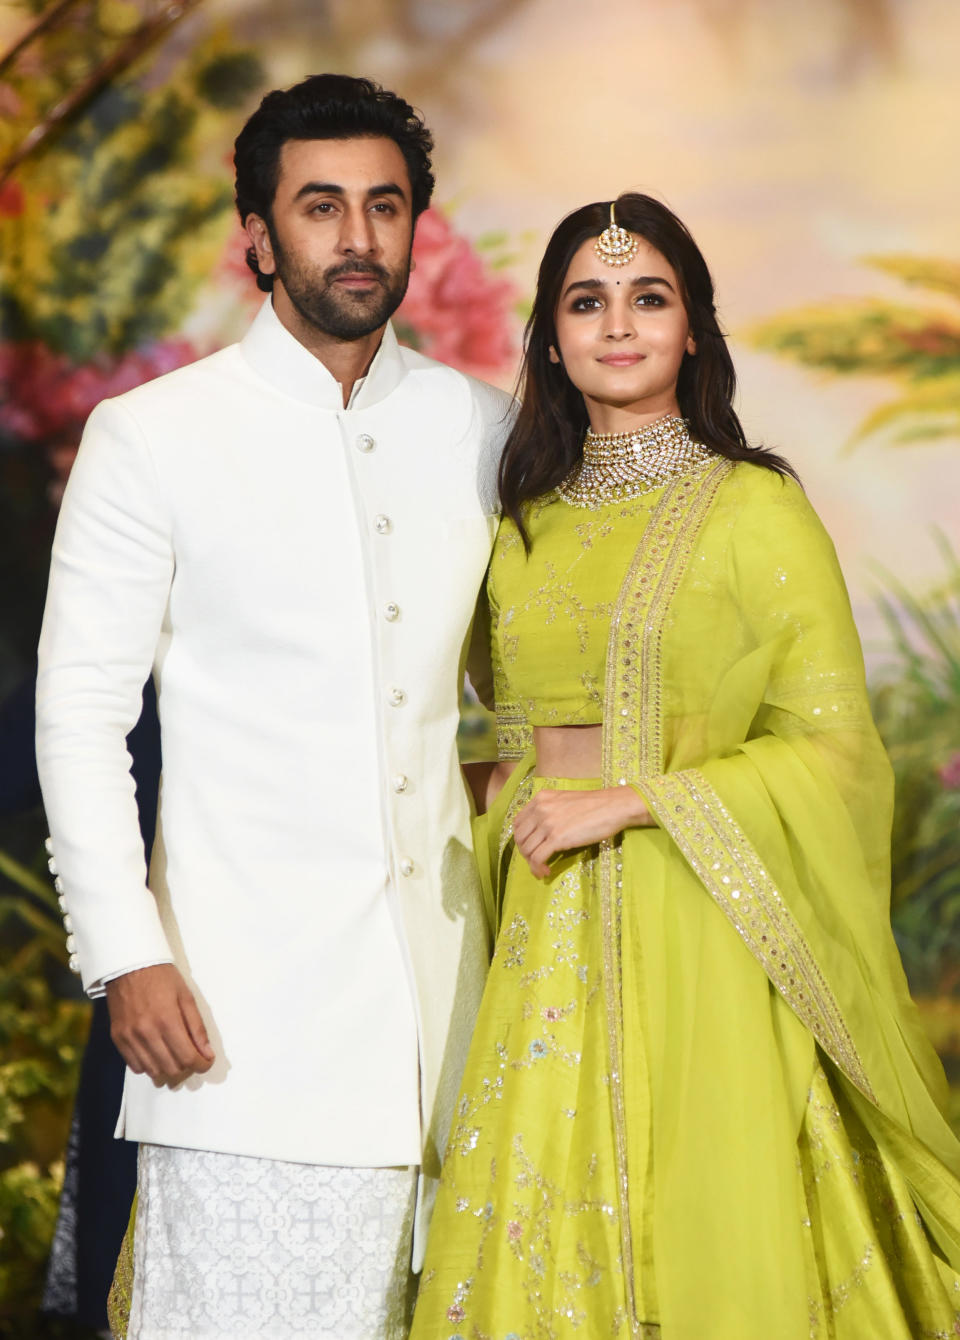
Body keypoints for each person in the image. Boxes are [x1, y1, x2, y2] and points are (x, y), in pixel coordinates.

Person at [409, 194, 960, 1340]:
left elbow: (838, 751)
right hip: (539, 921)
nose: (618, 323)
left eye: (649, 296)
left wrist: (638, 797)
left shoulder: (756, 505)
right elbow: (495, 728)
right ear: (551, 336)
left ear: (695, 326)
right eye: (587, 300)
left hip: (702, 912)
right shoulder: (520, 515)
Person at [35, 73, 513, 1340]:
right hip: (241, 1033)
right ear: (257, 233)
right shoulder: (154, 437)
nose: (357, 238)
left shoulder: (484, 431)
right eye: (320, 207)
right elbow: (78, 713)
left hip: (458, 1027)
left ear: (418, 225)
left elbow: (524, 686)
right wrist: (126, 950)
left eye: (385, 206)